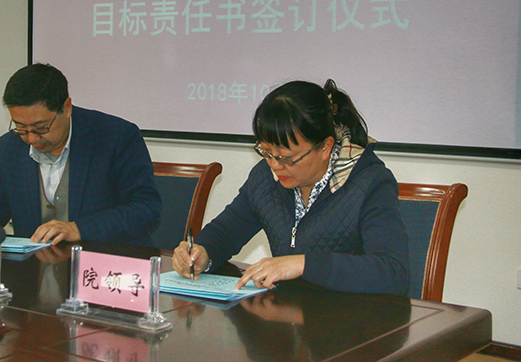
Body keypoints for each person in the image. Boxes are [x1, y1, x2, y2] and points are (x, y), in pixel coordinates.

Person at [172, 80, 410, 296]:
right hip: (290, 314)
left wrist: (303, 264)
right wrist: (202, 254)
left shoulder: (370, 182)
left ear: (325, 147)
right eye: (267, 152)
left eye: (287, 157)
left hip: (353, 319)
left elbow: (393, 272)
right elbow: (226, 231)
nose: (275, 165)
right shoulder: (265, 178)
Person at [0, 63, 161, 246]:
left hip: (104, 262)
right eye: (21, 127)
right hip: (33, 266)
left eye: (41, 127)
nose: (31, 138)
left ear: (66, 108)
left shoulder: (116, 137)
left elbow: (146, 210)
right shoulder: (9, 147)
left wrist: (78, 229)